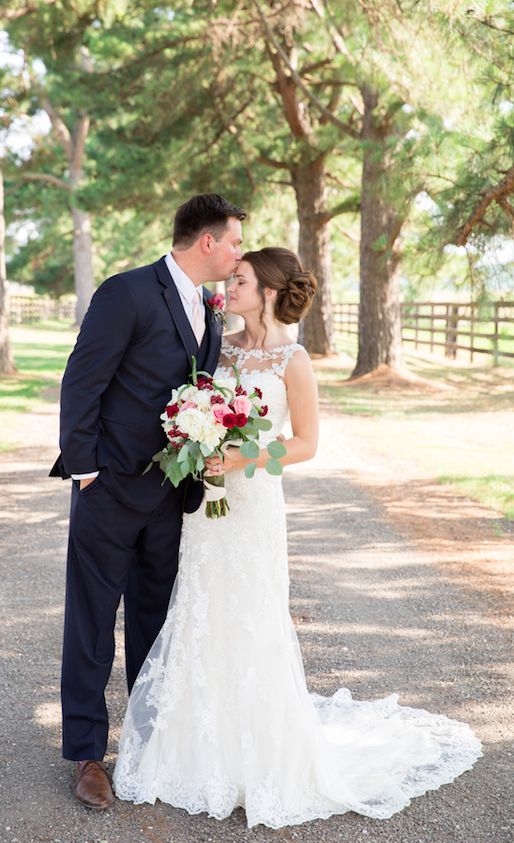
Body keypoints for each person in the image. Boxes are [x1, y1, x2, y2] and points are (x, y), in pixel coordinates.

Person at [113, 247, 482, 829]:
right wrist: (199, 440)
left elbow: (307, 443)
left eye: (240, 280)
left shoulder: (294, 360)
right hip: (206, 499)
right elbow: (195, 406)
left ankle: (257, 755)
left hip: (253, 502)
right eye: (231, 277)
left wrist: (242, 458)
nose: (229, 285)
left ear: (266, 292)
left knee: (250, 613)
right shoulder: (219, 346)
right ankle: (193, 749)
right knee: (201, 609)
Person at [50, 193, 246, 810]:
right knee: (91, 624)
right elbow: (83, 380)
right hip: (108, 489)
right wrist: (85, 471)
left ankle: (143, 743)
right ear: (208, 241)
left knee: (155, 624)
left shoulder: (210, 310)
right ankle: (86, 753)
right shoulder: (128, 291)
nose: (240, 252)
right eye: (236, 241)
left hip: (172, 496)